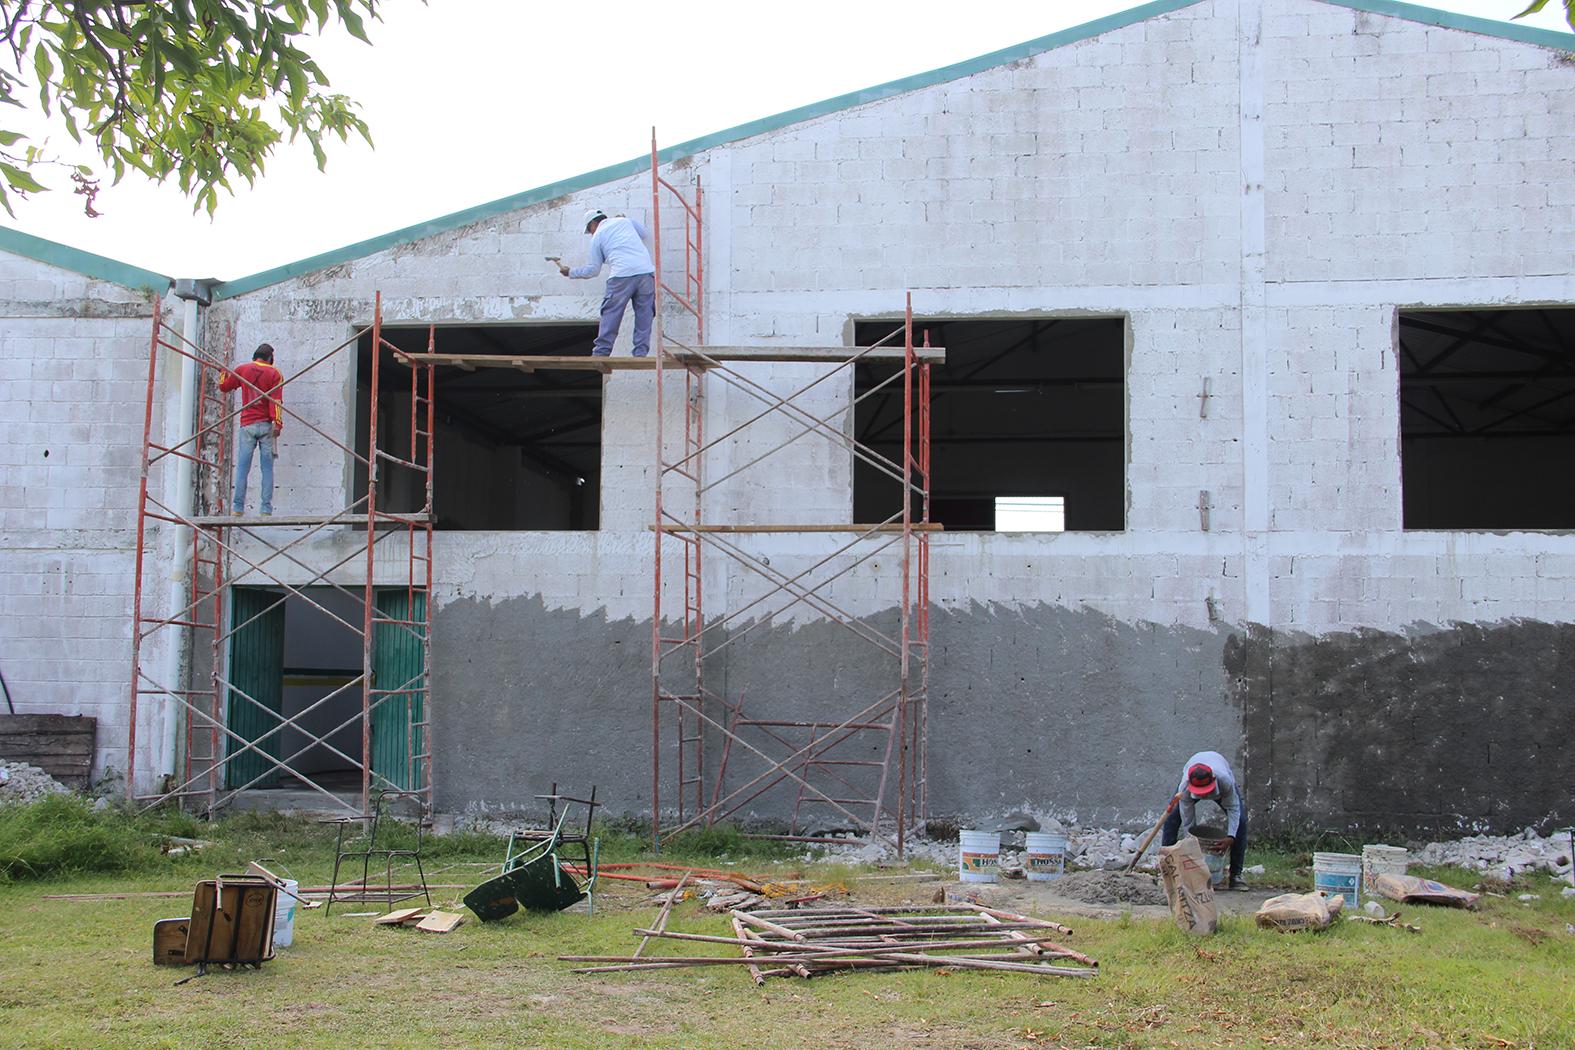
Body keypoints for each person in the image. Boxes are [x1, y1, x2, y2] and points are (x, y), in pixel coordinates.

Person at [557, 207, 655, 357]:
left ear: (594, 223)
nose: (590, 233)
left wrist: (571, 272)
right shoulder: (625, 221)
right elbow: (644, 233)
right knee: (645, 314)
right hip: (646, 273)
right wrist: (624, 222)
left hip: (621, 276)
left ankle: (601, 352)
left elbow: (593, 270)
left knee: (611, 313)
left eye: (589, 229)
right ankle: (640, 353)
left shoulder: (598, 236)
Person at [1160, 750, 1247, 889]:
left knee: (1241, 823)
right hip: (1190, 781)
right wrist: (1192, 844)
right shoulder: (1185, 788)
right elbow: (1188, 819)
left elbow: (1233, 808)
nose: (1205, 794)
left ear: (1213, 780)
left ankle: (1236, 876)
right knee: (1171, 820)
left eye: (1206, 790)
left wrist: (1231, 837)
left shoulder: (1225, 780)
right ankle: (1168, 872)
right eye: (1201, 791)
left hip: (1221, 778)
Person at [220, 342, 284, 517]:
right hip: (266, 426)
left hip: (247, 424)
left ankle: (238, 507)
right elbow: (276, 401)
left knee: (242, 467)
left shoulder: (242, 369)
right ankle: (265, 508)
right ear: (270, 357)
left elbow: (224, 386)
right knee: (267, 469)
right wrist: (277, 423)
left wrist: (223, 372)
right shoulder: (275, 373)